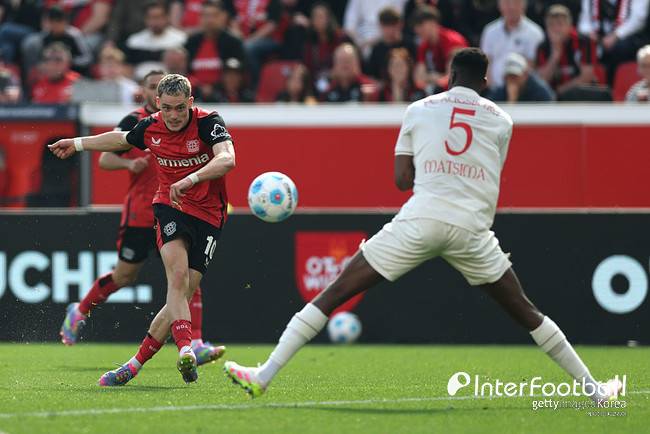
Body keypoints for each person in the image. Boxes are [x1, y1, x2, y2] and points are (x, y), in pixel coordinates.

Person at [223, 48, 622, 405]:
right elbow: (488, 175)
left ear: (450, 76)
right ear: (485, 82)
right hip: (471, 229)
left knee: (336, 292)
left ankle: (264, 375)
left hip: (422, 219)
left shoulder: (419, 109)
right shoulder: (503, 121)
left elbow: (401, 180)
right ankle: (595, 391)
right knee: (526, 311)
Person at [49, 73, 236, 386]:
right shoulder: (149, 126)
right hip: (169, 207)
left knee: (185, 290)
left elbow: (227, 159)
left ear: (190, 103)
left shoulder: (208, 122)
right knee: (177, 278)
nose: (174, 115)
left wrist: (191, 179)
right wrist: (78, 144)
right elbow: (119, 139)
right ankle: (187, 349)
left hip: (209, 214)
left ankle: (134, 364)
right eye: (167, 108)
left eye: (180, 108)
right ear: (158, 104)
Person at [577, 0, 649, 83]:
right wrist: (590, 33)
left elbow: (638, 20)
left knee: (620, 49)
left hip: (628, 37)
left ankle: (611, 85)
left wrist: (616, 35)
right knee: (583, 44)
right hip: (598, 36)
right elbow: (584, 22)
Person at [536, 5, 597, 98]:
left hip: (581, 95)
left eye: (560, 24)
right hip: (551, 98)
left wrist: (560, 91)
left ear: (569, 26)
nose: (556, 29)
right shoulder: (543, 47)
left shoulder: (585, 42)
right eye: (551, 25)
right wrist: (555, 55)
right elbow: (542, 81)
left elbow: (587, 76)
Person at [480, 0, 544, 88]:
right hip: (493, 90)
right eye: (507, 2)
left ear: (524, 5)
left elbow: (532, 66)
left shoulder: (535, 33)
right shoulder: (489, 31)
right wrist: (492, 90)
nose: (511, 7)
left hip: (524, 91)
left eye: (516, 2)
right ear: (499, 5)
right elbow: (486, 63)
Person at [125, 0, 187, 80]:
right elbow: (128, 68)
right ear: (145, 19)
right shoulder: (134, 41)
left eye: (158, 17)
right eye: (151, 17)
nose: (155, 22)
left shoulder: (180, 39)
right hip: (139, 82)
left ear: (167, 17)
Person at [413, 6, 468, 95]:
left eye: (420, 24)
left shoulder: (452, 41)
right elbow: (419, 79)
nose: (417, 30)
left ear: (433, 23)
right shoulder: (424, 46)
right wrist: (434, 78)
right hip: (438, 89)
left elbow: (453, 77)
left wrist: (432, 78)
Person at [365, 7, 416, 80]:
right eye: (386, 26)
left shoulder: (410, 45)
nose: (390, 30)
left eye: (393, 25)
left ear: (401, 24)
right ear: (380, 26)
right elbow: (371, 75)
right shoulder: (376, 49)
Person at [490, 52, 555, 102]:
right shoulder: (500, 92)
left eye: (515, 76)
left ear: (525, 75)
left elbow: (549, 103)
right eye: (510, 76)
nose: (513, 80)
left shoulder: (539, 91)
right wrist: (511, 100)